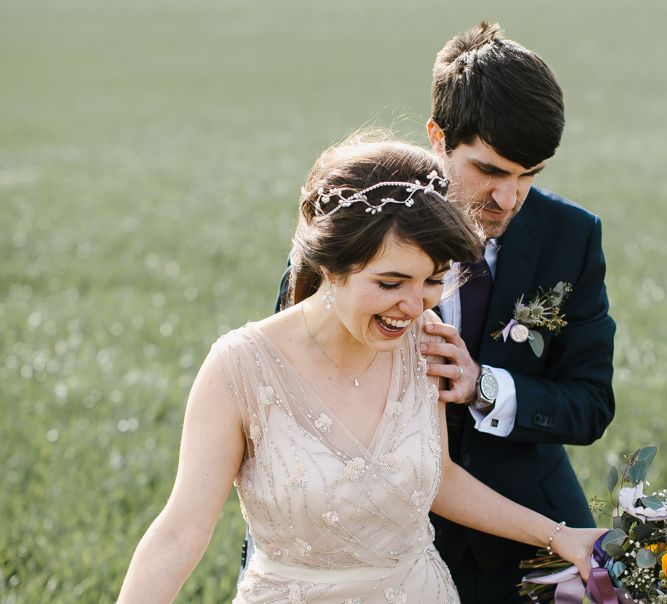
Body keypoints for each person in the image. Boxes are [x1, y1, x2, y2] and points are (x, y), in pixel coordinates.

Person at [117, 137, 604, 603]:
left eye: (433, 280)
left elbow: (439, 477)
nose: (414, 306)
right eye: (391, 282)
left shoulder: (424, 340)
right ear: (331, 266)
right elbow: (179, 534)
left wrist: (563, 538)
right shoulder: (239, 368)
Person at [417, 22, 616, 603]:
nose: (509, 198)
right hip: (395, 520)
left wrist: (485, 387)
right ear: (438, 137)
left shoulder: (571, 237)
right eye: (490, 171)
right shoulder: (365, 224)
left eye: (529, 175)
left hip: (535, 515)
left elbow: (590, 402)